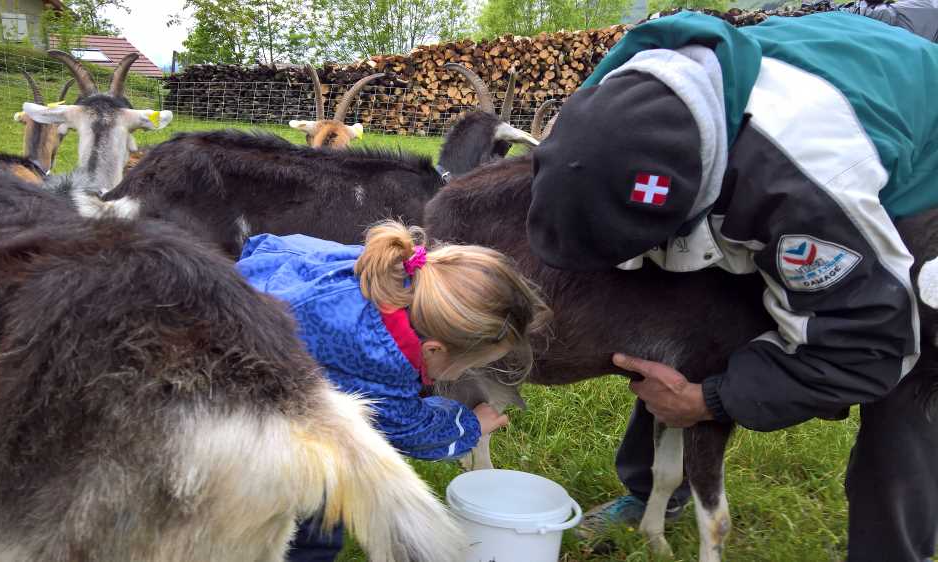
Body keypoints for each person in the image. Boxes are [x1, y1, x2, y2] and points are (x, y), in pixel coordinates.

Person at [527, 10, 938, 561]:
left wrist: (709, 399)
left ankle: (890, 549)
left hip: (918, 177)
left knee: (909, 378)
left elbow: (869, 345)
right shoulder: (617, 90)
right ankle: (651, 489)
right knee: (684, 310)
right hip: (843, 85)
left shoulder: (804, 187)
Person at [236, 220, 550, 562]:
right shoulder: (380, 360)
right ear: (433, 350)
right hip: (241, 410)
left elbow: (270, 245)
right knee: (322, 513)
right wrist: (472, 424)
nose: (465, 373)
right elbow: (414, 431)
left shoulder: (384, 272)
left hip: (231, 319)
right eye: (467, 366)